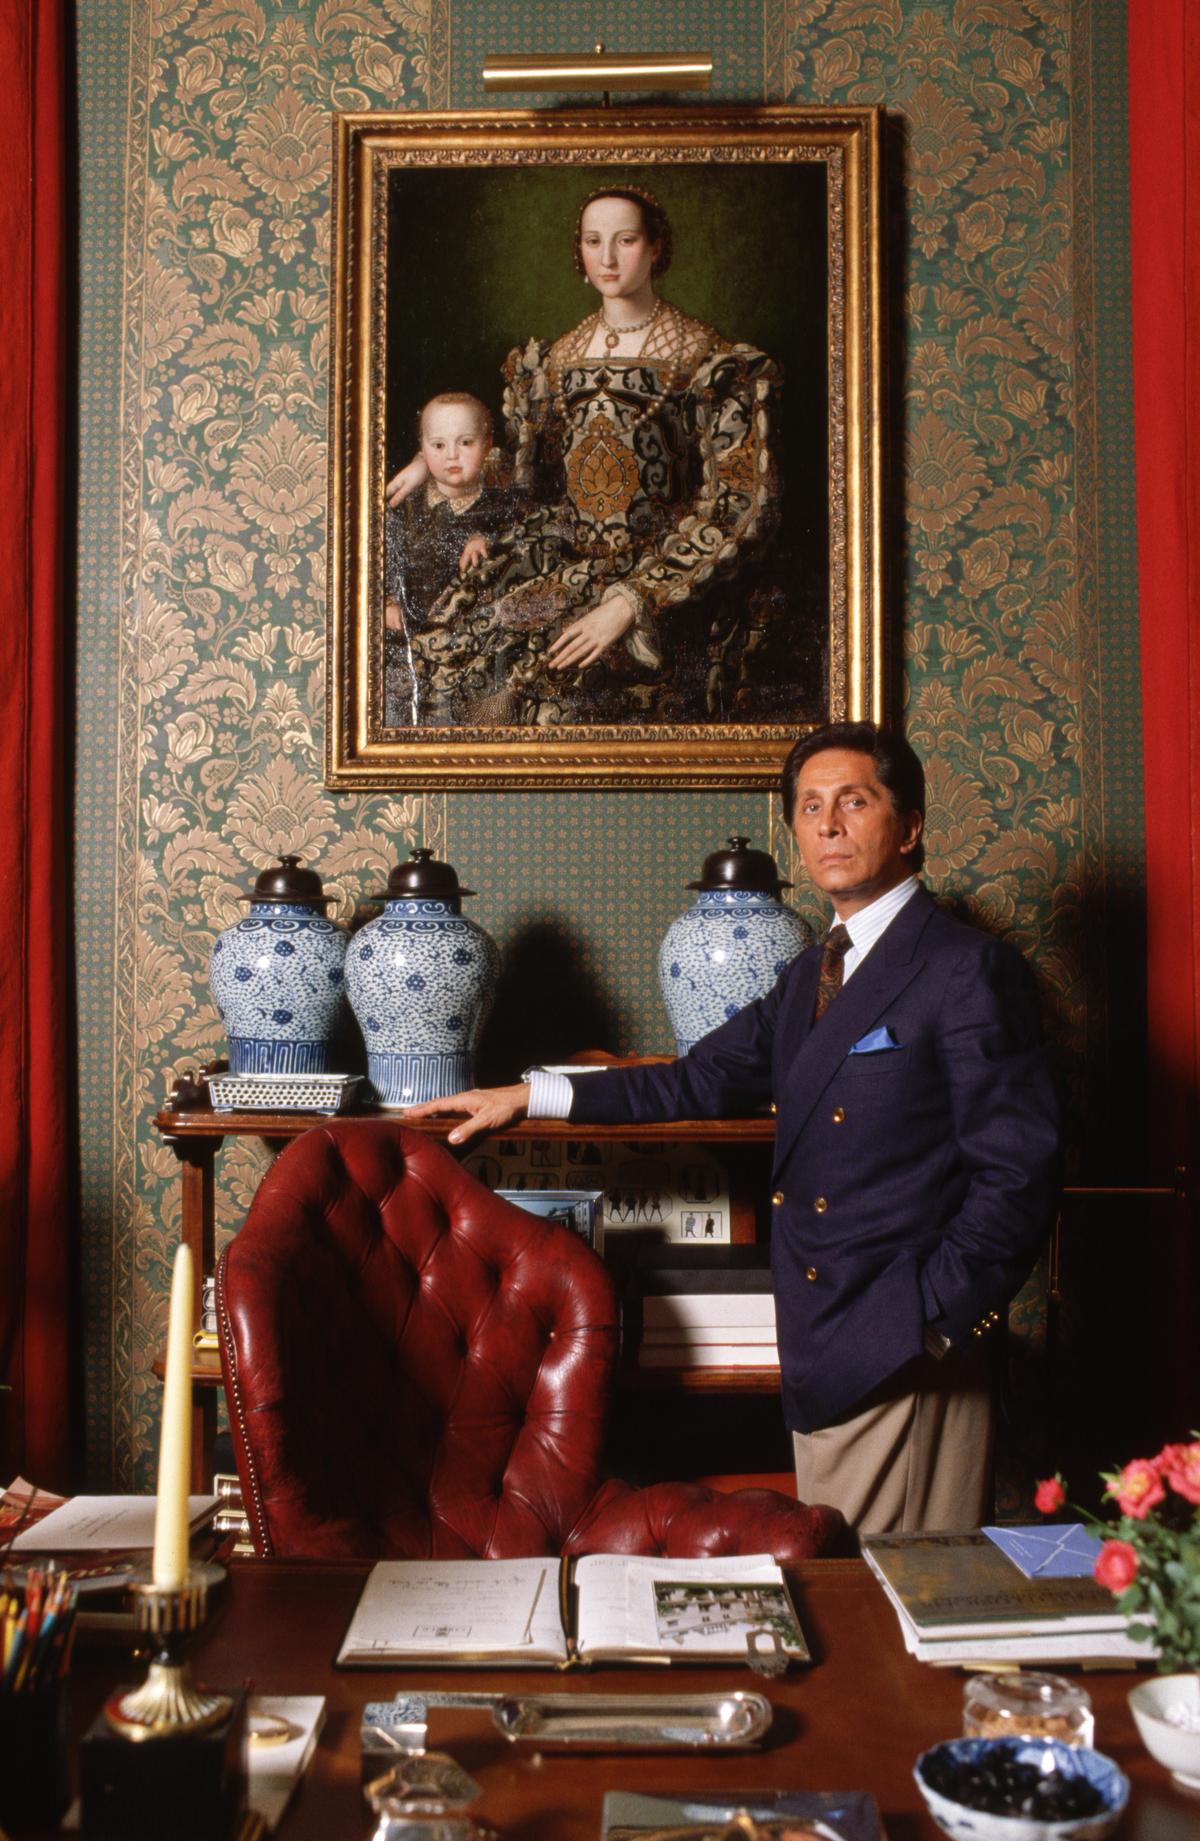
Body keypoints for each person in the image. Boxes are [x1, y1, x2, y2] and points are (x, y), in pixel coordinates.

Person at [405, 723, 1060, 1535]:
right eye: (810, 807)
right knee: (845, 1586)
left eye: (854, 801)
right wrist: (528, 1096)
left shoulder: (964, 967)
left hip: (901, 1345)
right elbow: (695, 1077)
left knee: (895, 1603)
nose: (828, 825)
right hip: (826, 1338)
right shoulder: (812, 973)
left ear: (911, 826)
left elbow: (1019, 1174)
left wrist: (930, 1320)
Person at [385, 187, 780, 725]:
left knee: (546, 690)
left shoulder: (707, 359)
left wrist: (630, 601)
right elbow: (520, 474)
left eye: (627, 240)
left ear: (657, 247)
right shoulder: (556, 360)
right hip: (563, 553)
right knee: (447, 651)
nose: (609, 259)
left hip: (661, 570)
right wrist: (422, 461)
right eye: (595, 242)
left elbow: (740, 505)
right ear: (579, 252)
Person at [383, 392, 523, 725]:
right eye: (439, 446)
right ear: (422, 448)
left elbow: (517, 522)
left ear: (488, 445)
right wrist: (387, 601)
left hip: (466, 640)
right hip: (408, 628)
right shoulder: (407, 506)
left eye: (466, 443)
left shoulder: (497, 504)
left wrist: (482, 536)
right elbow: (386, 556)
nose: (453, 456)